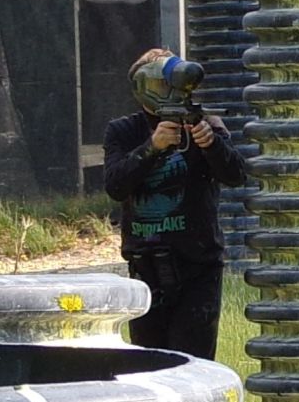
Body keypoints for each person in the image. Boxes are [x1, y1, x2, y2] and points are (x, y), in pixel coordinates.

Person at [103, 47, 247, 360]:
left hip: (198, 267)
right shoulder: (124, 131)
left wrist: (211, 144)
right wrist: (152, 147)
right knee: (149, 363)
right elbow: (115, 186)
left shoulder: (204, 123)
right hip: (146, 268)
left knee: (193, 364)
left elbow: (236, 174)